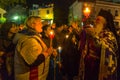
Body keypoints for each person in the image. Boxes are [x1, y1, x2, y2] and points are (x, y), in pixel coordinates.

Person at [78, 9, 118, 80]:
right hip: (88, 68)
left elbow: (107, 48)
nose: (96, 22)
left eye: (98, 20)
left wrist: (94, 36)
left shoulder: (109, 34)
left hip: (98, 69)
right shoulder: (96, 32)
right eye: (96, 19)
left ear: (105, 23)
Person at [13, 16, 54, 80]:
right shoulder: (29, 40)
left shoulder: (33, 37)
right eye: (40, 23)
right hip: (30, 76)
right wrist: (47, 53)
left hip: (37, 76)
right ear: (32, 25)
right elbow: (33, 61)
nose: (42, 25)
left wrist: (49, 51)